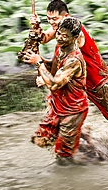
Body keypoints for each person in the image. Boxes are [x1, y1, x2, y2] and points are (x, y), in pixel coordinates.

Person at [30, 0, 108, 139]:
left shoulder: (75, 33)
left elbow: (67, 63)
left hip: (96, 80)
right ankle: (81, 135)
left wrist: (44, 70)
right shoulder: (61, 28)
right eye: (48, 19)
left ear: (66, 16)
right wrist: (36, 26)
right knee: (53, 102)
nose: (51, 22)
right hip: (76, 79)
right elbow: (43, 38)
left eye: (54, 19)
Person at [23, 16, 88, 163]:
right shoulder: (61, 50)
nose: (58, 38)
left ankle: (82, 155)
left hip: (72, 111)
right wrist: (37, 59)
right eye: (58, 33)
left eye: (64, 36)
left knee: (63, 158)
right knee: (40, 140)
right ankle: (79, 136)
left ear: (74, 38)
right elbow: (54, 68)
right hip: (58, 106)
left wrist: (39, 64)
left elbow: (54, 84)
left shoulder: (74, 60)